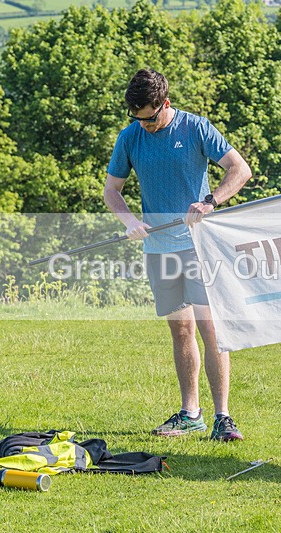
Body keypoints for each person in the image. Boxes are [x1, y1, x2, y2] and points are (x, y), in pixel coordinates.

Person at [103, 69, 252, 442]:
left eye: (150, 118)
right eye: (137, 119)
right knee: (181, 329)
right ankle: (191, 414)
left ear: (165, 104)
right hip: (159, 249)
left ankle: (223, 417)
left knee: (211, 330)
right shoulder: (130, 137)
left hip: (200, 246)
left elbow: (240, 169)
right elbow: (112, 191)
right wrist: (128, 221)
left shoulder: (196, 128)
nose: (145, 126)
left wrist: (210, 201)